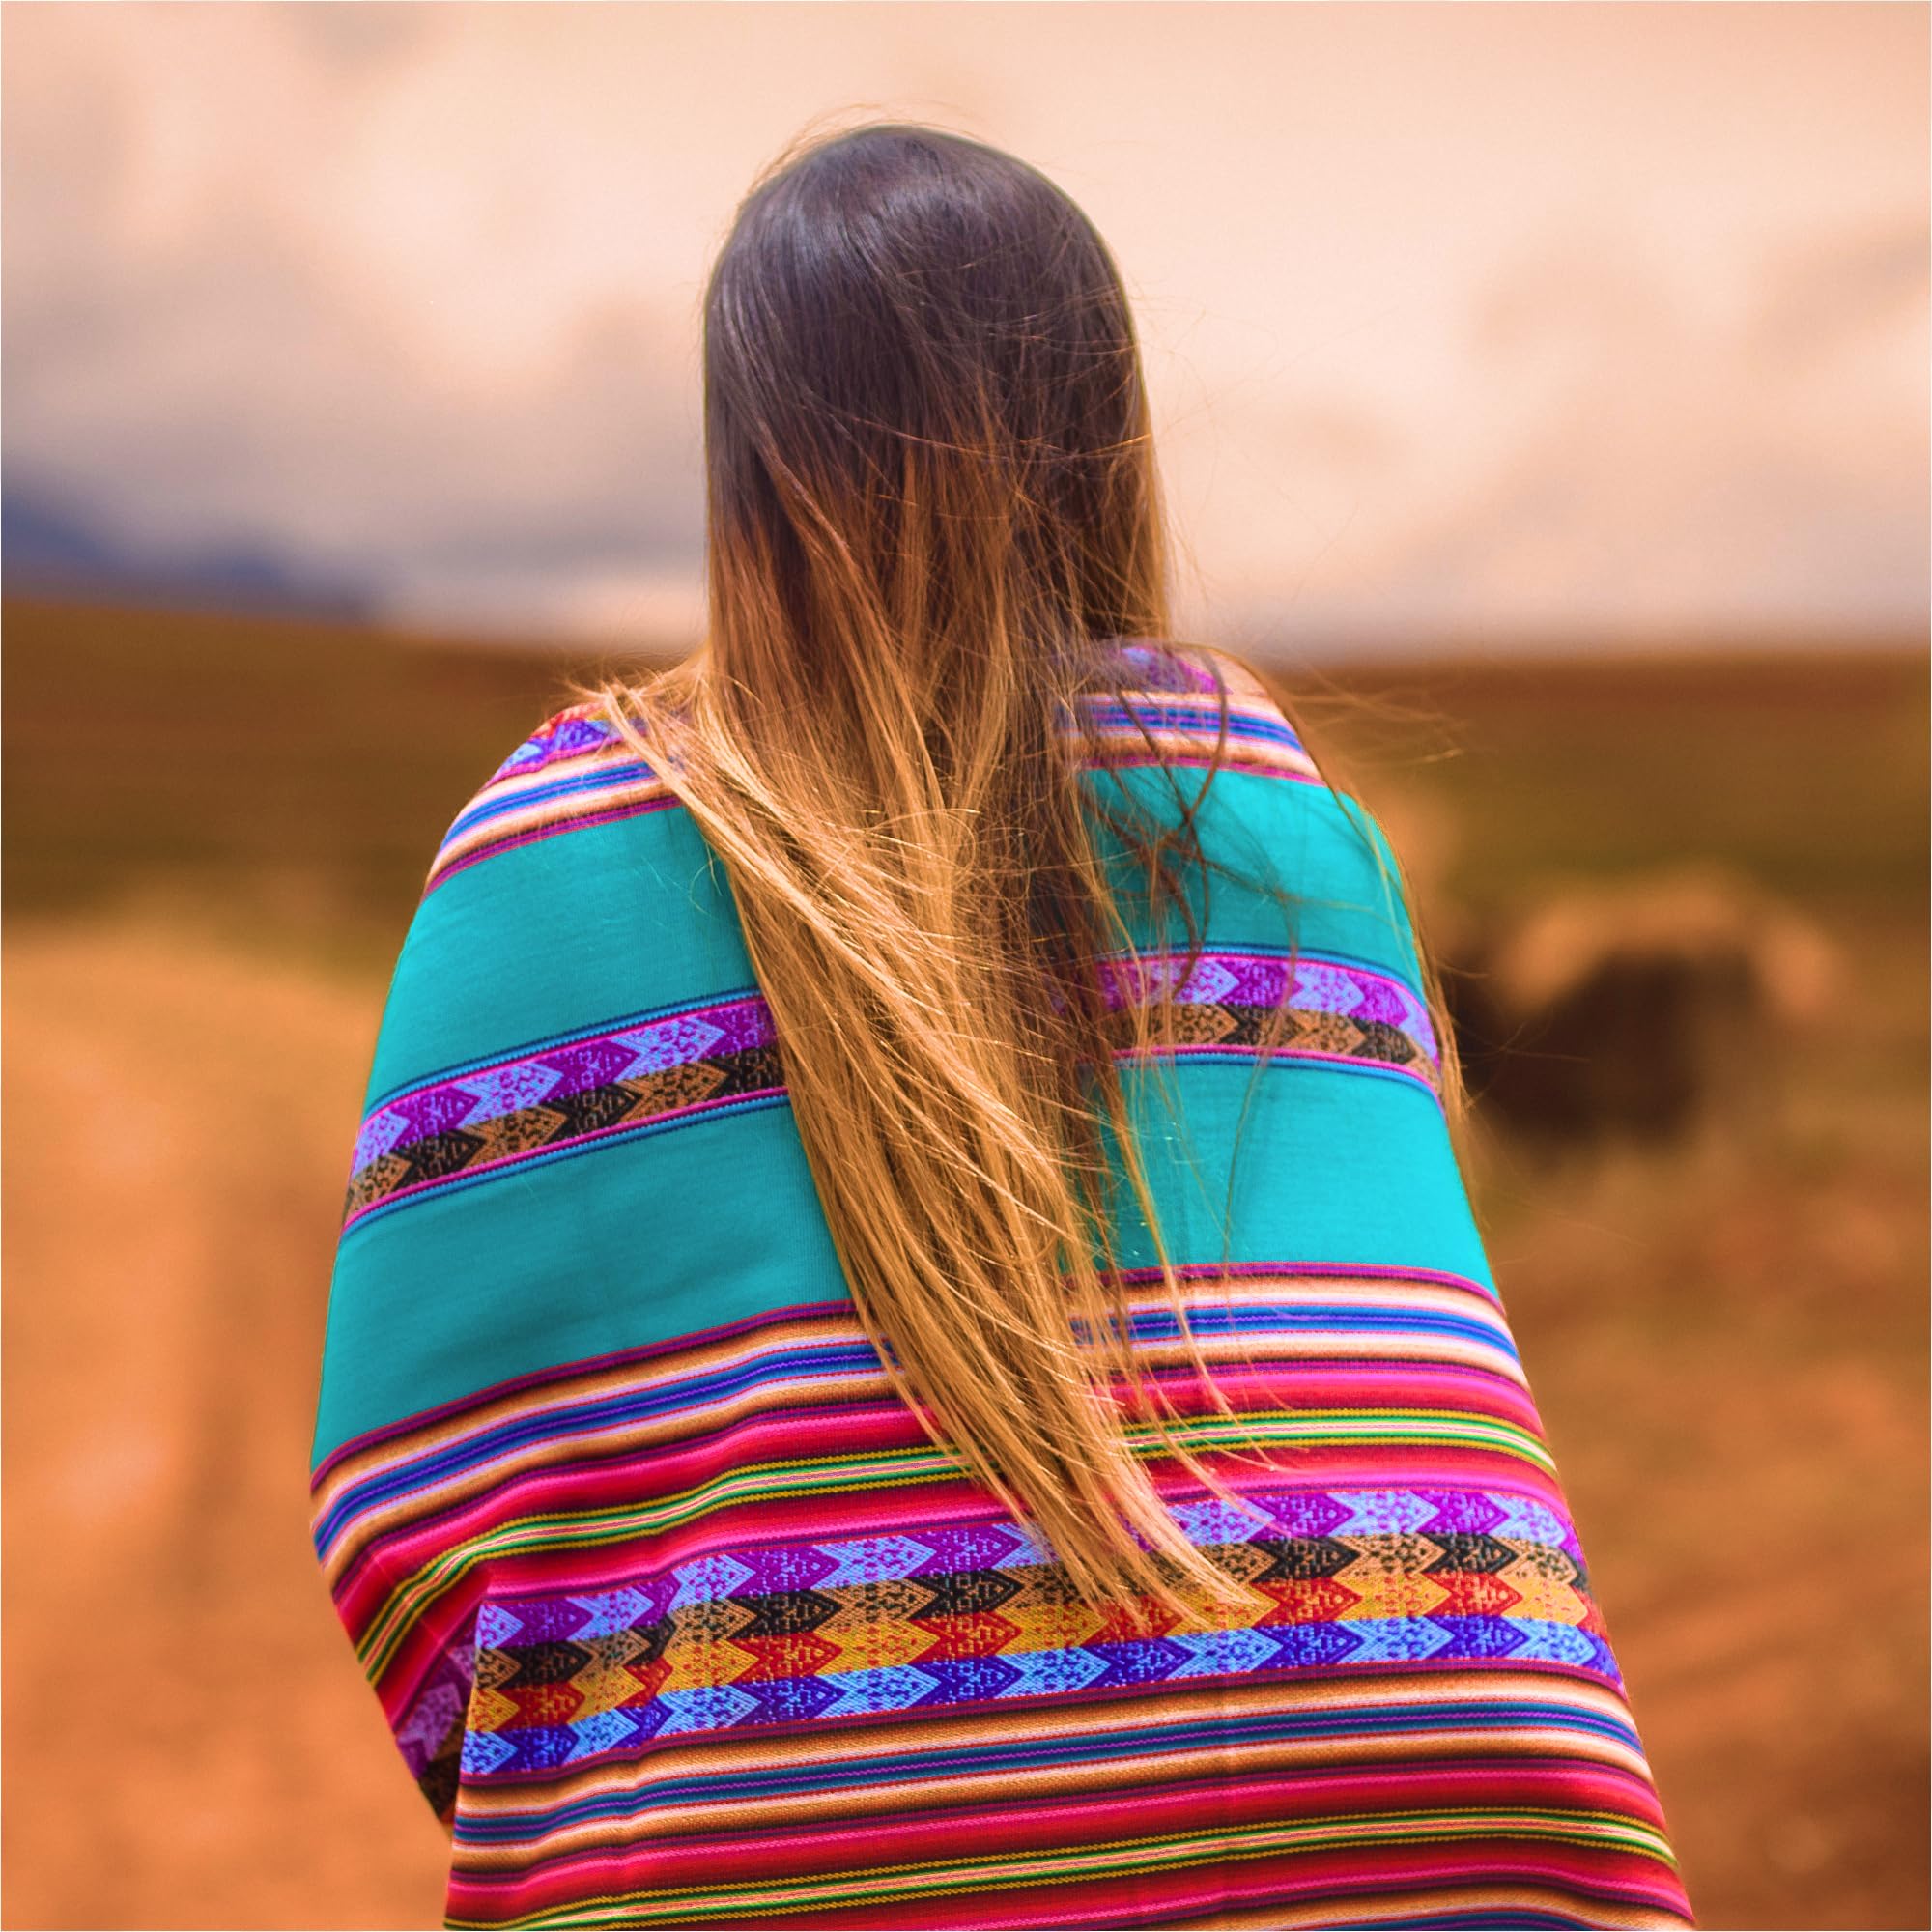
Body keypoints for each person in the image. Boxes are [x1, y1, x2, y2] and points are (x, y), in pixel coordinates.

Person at [310, 121, 1692, 1931]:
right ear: (1106, 444)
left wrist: (659, 1767)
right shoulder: (1292, 826)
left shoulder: (555, 853)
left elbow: (400, 1529)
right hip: (1456, 1831)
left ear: (748, 478)